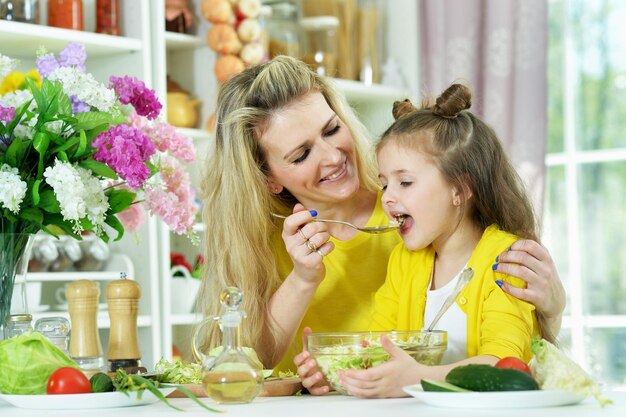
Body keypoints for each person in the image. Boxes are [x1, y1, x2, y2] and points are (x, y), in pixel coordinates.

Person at [197, 55, 565, 374]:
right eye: (301, 154)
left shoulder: (419, 211)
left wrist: (553, 304)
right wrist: (304, 279)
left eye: (332, 129)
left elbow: (512, 347)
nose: (332, 156)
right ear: (268, 180)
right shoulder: (262, 241)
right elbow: (245, 364)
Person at [296, 83, 553, 398]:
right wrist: (336, 369)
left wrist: (416, 377)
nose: (387, 198)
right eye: (385, 184)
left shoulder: (507, 261)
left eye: (405, 182)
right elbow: (379, 347)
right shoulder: (405, 262)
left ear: (459, 189)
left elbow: (504, 365)